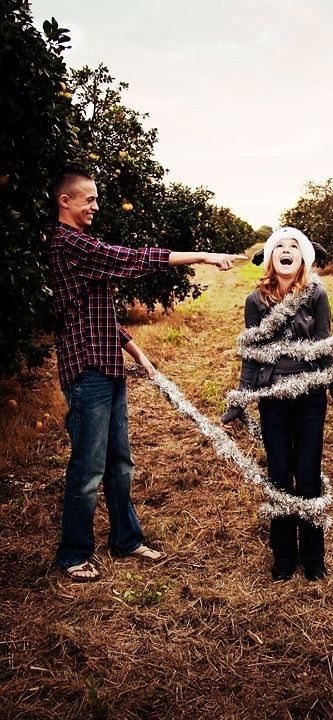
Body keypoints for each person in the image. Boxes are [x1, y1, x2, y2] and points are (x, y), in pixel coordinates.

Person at [50, 167, 246, 582]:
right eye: (89, 199)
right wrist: (202, 256)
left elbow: (98, 315)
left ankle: (125, 539)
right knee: (88, 469)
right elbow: (132, 258)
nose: (96, 206)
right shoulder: (69, 244)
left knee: (120, 462)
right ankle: (73, 555)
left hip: (108, 368)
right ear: (64, 201)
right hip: (87, 373)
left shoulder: (83, 251)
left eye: (98, 199)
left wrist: (137, 353)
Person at [221, 227, 333, 582]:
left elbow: (328, 348)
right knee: (280, 475)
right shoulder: (256, 301)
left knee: (308, 475)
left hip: (311, 400)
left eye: (293, 245)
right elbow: (251, 356)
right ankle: (283, 557)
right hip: (274, 400)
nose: (286, 250)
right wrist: (239, 401)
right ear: (269, 257)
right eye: (278, 246)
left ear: (304, 257)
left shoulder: (317, 295)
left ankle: (313, 557)